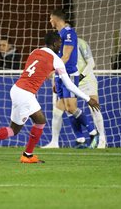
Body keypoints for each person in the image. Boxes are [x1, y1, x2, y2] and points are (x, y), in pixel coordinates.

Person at [0, 32, 100, 163]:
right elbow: (69, 85)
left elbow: (38, 71)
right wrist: (88, 98)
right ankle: (26, 155)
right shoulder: (56, 60)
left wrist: (53, 82)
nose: (61, 45)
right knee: (28, 125)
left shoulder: (34, 52)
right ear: (54, 43)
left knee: (25, 126)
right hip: (25, 93)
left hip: (17, 89)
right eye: (59, 42)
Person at [42, 37, 106, 149]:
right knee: (66, 108)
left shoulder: (80, 43)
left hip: (85, 80)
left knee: (94, 107)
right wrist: (55, 81)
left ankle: (101, 140)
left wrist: (81, 77)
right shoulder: (58, 46)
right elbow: (59, 66)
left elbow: (91, 63)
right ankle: (75, 139)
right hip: (68, 80)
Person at [49, 9, 98, 148]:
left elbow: (66, 57)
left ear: (56, 18)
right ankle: (76, 139)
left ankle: (93, 133)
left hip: (69, 74)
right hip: (60, 74)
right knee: (63, 107)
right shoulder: (59, 34)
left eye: (50, 18)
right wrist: (55, 76)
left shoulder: (69, 33)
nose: (50, 21)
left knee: (70, 107)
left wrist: (52, 71)